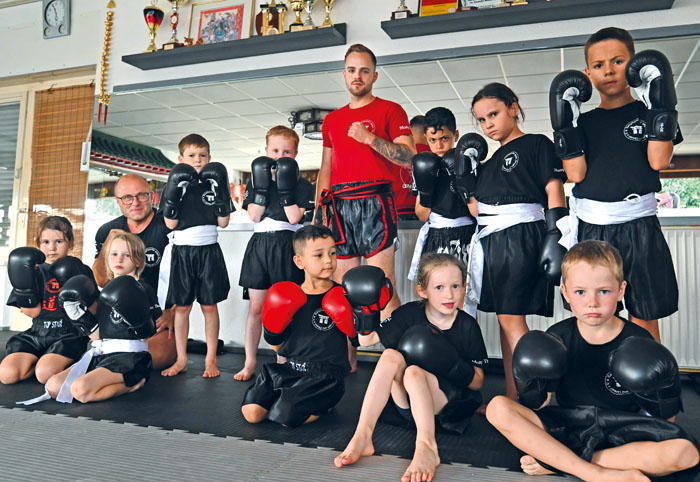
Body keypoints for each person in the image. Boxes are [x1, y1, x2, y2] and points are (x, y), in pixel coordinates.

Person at [486, 240, 699, 481]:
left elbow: (664, 421)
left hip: (624, 429)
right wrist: (530, 384)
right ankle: (594, 472)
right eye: (580, 292)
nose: (592, 302)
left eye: (604, 291)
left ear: (621, 291)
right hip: (569, 423)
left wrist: (663, 395)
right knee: (498, 408)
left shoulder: (638, 339)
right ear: (565, 292)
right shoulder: (558, 336)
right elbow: (539, 405)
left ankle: (561, 462)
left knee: (685, 453)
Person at [550, 26, 681, 341]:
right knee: (593, 315)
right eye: (598, 65)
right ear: (588, 73)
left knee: (644, 314)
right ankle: (596, 384)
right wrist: (567, 126)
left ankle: (648, 385)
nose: (608, 70)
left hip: (639, 224)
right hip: (593, 228)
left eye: (618, 61)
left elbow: (658, 161)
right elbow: (576, 174)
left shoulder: (646, 112)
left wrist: (659, 109)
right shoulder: (584, 122)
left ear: (635, 65)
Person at [335, 253, 487, 482]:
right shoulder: (410, 313)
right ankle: (362, 435)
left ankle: (426, 446)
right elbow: (366, 341)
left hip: (445, 409)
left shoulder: (467, 326)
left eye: (456, 286)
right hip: (406, 406)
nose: (449, 294)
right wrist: (366, 310)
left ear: (464, 287)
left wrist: (452, 364)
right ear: (422, 290)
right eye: (439, 287)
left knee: (414, 372)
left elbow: (477, 382)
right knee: (390, 356)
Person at [317, 43, 416, 370]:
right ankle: (347, 364)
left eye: (363, 70)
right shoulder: (331, 120)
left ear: (374, 75)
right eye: (351, 70)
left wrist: (369, 139)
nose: (357, 76)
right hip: (339, 203)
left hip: (375, 199)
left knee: (381, 284)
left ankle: (401, 360)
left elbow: (408, 156)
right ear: (343, 74)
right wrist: (320, 212)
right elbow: (326, 168)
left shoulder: (391, 110)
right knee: (344, 288)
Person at [467, 83, 568, 400]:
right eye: (482, 120)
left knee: (511, 318)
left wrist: (556, 232)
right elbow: (476, 210)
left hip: (521, 236)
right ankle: (514, 396)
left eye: (493, 114)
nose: (488, 125)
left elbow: (553, 188)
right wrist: (463, 180)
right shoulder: (489, 162)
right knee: (504, 319)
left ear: (513, 107)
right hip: (491, 241)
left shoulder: (537, 144)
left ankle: (540, 393)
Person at [240, 225, 359, 427]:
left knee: (284, 417)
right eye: (318, 255)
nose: (329, 260)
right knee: (251, 412)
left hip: (325, 377)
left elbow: (355, 339)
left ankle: (325, 404)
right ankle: (288, 398)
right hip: (290, 369)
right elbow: (278, 347)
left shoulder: (343, 295)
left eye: (332, 253)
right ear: (299, 261)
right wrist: (273, 331)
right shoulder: (288, 295)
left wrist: (355, 337)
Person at [235, 126, 315, 381]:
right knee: (256, 308)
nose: (280, 156)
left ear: (296, 154)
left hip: (288, 246)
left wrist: (284, 187)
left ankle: (283, 360)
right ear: (266, 151)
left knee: (287, 308)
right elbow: (255, 216)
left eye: (287, 152)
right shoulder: (256, 179)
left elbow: (294, 217)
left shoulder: (303, 184)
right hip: (260, 246)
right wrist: (261, 188)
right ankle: (249, 362)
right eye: (276, 150)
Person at [45, 232, 160, 403]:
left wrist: (136, 315)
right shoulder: (105, 293)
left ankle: (132, 384)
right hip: (102, 354)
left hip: (130, 359)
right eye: (114, 254)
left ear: (137, 259)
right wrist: (78, 315)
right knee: (53, 386)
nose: (118, 260)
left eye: (126, 255)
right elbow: (97, 336)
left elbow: (148, 332)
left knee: (79, 390)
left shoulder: (143, 289)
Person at [159, 133, 233, 378]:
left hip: (209, 251)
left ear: (210, 158)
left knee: (209, 307)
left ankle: (211, 359)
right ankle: (181, 359)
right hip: (183, 252)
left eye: (202, 155)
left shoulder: (214, 185)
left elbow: (223, 223)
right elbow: (170, 224)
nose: (198, 160)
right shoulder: (175, 186)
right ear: (181, 159)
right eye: (192, 156)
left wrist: (222, 194)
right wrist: (172, 196)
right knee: (182, 307)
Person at [93, 173, 176, 370]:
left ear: (151, 195)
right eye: (127, 198)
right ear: (118, 201)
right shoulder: (108, 230)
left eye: (142, 195)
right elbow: (101, 280)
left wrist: (174, 312)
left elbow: (189, 274)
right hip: (117, 317)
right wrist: (107, 246)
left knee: (150, 358)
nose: (135, 202)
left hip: (158, 318)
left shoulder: (167, 226)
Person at [0, 216, 91, 385]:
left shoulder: (79, 269)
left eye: (59, 242)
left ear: (71, 243)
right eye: (46, 242)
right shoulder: (32, 272)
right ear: (38, 245)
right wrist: (24, 289)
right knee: (7, 374)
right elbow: (33, 312)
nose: (52, 248)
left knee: (44, 374)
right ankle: (43, 358)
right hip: (38, 332)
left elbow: (92, 308)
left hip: (69, 334)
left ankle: (66, 362)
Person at [408, 107, 480, 282]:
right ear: (426, 138)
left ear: (456, 135)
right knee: (434, 288)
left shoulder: (468, 163)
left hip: (465, 233)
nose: (439, 145)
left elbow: (477, 212)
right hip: (435, 234)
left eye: (444, 138)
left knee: (463, 289)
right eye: (433, 140)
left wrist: (464, 179)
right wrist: (426, 191)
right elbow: (422, 215)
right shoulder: (422, 166)